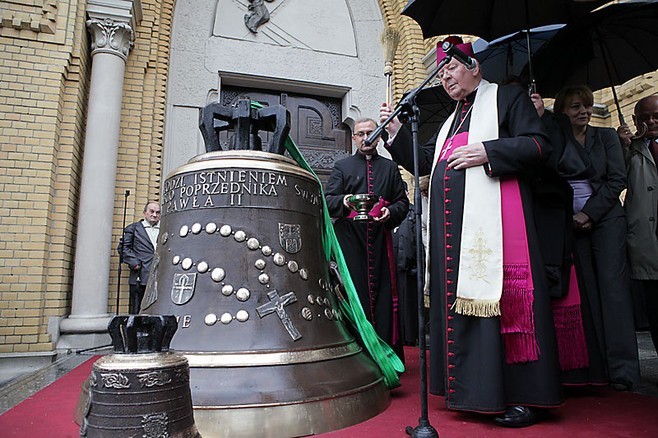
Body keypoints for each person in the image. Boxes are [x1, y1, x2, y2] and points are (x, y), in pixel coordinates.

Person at [379, 36, 563, 427]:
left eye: (452, 68)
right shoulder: (451, 119)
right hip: (458, 237)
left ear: (474, 66)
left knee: (506, 307)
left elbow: (541, 145)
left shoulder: (507, 99)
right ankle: (474, 391)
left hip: (499, 227)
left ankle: (522, 396)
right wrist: (395, 133)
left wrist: (489, 152)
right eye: (441, 72)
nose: (446, 77)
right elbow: (426, 161)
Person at [548, 85, 640, 390]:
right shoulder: (556, 140)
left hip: (606, 221)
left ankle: (623, 372)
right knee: (586, 294)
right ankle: (598, 369)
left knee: (613, 293)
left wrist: (589, 213)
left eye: (586, 106)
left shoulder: (606, 137)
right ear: (563, 111)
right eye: (575, 107)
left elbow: (617, 180)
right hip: (570, 226)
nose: (583, 112)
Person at [325, 118, 409, 356]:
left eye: (370, 133)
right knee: (354, 295)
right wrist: (347, 201)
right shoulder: (343, 166)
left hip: (381, 243)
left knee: (383, 297)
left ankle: (385, 355)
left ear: (379, 136)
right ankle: (356, 354)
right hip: (350, 243)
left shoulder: (390, 168)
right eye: (360, 134)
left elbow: (403, 203)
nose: (365, 138)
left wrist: (389, 212)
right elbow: (328, 201)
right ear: (354, 139)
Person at [618, 94, 658, 355]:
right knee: (656, 310)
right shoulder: (630, 150)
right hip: (647, 243)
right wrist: (622, 146)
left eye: (656, 116)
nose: (651, 122)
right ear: (634, 120)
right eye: (644, 118)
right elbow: (616, 179)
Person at [393, 183, 420, 346]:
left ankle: (409, 337)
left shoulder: (412, 212)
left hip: (408, 267)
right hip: (391, 264)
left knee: (408, 305)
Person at [122, 201, 161, 314]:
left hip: (159, 276)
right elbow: (124, 247)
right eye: (151, 211)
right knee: (138, 309)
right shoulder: (134, 228)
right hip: (140, 275)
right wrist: (134, 263)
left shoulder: (164, 229)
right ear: (144, 213)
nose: (154, 215)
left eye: (157, 212)